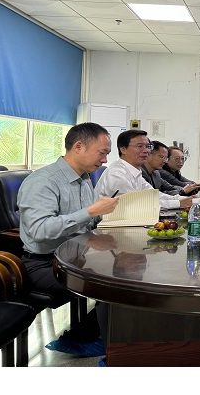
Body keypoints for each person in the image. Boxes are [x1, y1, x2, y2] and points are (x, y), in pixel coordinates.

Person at [18, 122, 120, 355]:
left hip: (76, 255)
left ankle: (93, 333)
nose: (105, 160)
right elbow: (39, 229)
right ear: (79, 146)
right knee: (110, 284)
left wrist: (106, 215)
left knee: (123, 269)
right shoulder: (43, 181)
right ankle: (91, 340)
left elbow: (87, 221)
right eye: (102, 152)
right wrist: (91, 211)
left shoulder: (84, 178)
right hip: (44, 263)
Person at [95, 130, 192, 210]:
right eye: (140, 146)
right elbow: (137, 205)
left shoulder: (135, 172)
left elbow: (153, 195)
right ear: (123, 149)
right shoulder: (117, 174)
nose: (146, 151)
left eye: (148, 146)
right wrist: (178, 203)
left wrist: (181, 199)